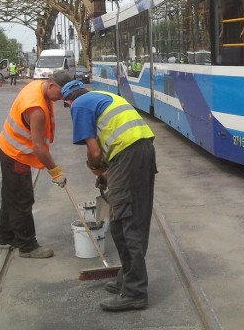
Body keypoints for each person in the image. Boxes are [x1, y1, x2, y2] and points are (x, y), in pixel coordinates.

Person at [51, 70, 157, 312]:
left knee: (125, 221)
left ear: (68, 100)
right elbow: (116, 140)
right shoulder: (101, 96)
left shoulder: (78, 105)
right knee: (127, 219)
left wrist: (98, 172)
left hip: (128, 156)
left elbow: (94, 152)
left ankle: (135, 291)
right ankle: (127, 278)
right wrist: (109, 173)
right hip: (141, 152)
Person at [0, 77, 66, 258]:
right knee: (22, 198)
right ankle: (27, 246)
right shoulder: (36, 109)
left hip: (9, 147)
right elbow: (38, 147)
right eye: (61, 93)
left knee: (10, 194)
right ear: (51, 85)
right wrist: (55, 172)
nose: (62, 98)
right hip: (16, 153)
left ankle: (6, 234)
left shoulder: (38, 85)